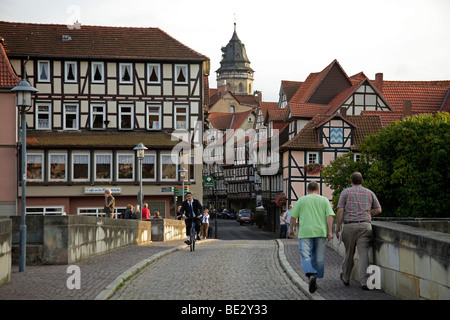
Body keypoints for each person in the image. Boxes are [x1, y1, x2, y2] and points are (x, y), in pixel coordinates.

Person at [335, 172, 382, 290]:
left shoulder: (345, 192)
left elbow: (340, 210)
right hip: (365, 226)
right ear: (362, 180)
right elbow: (378, 209)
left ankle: (346, 277)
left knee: (349, 252)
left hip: (350, 226)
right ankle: (364, 282)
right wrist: (367, 215)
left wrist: (338, 227)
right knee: (363, 254)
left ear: (351, 181)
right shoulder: (369, 192)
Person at [289, 181, 335, 293]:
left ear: (307, 190)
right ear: (318, 190)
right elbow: (329, 216)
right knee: (319, 258)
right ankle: (315, 278)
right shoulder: (324, 200)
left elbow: (293, 217)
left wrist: (291, 230)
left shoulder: (301, 200)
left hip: (305, 232)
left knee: (305, 256)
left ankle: (310, 274)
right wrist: (330, 232)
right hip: (320, 232)